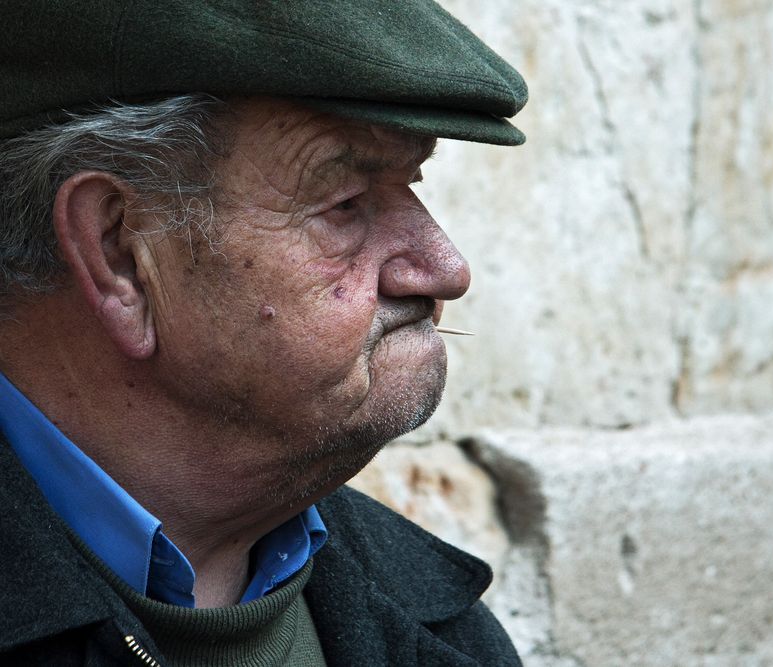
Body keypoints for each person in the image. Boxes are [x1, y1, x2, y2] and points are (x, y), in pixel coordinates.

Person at [0, 1, 527, 665]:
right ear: (122, 253)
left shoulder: (435, 625)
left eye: (412, 184)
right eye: (345, 205)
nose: (446, 269)